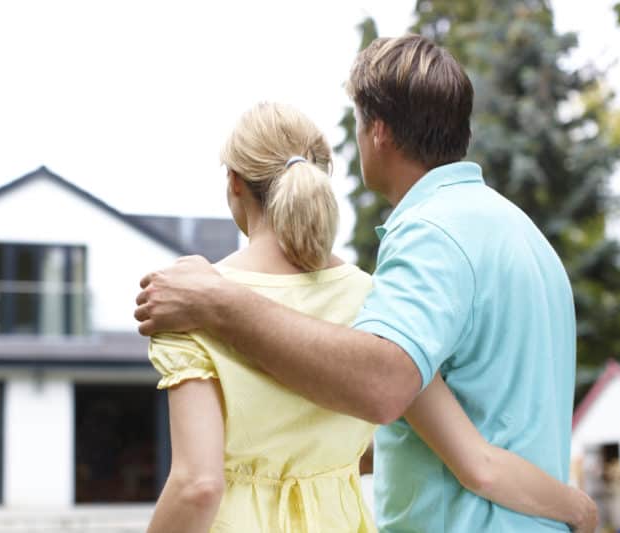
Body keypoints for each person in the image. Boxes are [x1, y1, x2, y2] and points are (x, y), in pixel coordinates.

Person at [141, 101, 596, 532]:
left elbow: (198, 486)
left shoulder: (188, 301)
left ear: (235, 181)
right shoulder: (373, 301)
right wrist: (574, 505)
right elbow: (476, 461)